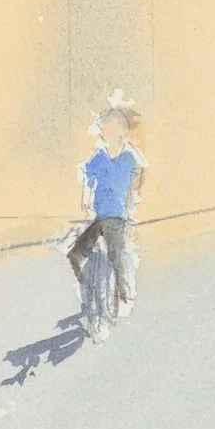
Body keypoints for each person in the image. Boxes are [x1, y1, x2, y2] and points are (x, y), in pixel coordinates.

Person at [67, 94, 146, 319]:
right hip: (98, 218)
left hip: (116, 218)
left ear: (122, 131)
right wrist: (86, 202)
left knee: (116, 256)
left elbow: (138, 178)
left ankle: (124, 294)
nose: (106, 134)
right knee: (74, 254)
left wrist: (131, 210)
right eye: (104, 130)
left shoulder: (130, 157)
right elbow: (87, 177)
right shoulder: (100, 156)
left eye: (110, 129)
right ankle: (88, 287)